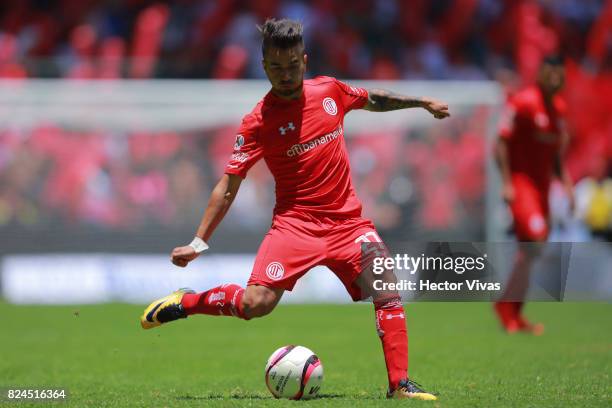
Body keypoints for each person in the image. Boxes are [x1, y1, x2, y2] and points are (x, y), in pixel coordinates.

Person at [140, 18, 449, 400]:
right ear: (264, 65)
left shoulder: (330, 91)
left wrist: (421, 102)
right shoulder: (258, 121)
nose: (284, 75)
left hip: (349, 225)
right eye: (275, 68)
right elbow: (228, 186)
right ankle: (185, 302)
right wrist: (199, 242)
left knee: (386, 285)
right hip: (295, 226)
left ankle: (399, 385)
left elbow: (374, 99)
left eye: (291, 66)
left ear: (304, 61)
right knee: (256, 305)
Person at [493, 55, 574, 335]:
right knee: (535, 241)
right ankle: (507, 308)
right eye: (550, 73)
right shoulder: (524, 103)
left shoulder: (559, 109)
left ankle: (511, 310)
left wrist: (566, 183)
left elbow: (556, 154)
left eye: (559, 74)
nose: (555, 79)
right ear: (540, 74)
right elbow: (501, 143)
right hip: (522, 184)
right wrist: (506, 183)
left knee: (531, 250)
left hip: (543, 189)